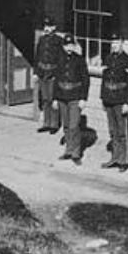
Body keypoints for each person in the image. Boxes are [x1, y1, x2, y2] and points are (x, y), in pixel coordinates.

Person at [100, 32, 128, 172]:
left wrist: (127, 102)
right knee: (112, 131)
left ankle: (123, 160)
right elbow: (104, 80)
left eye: (117, 42)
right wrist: (103, 99)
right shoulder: (108, 58)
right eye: (112, 42)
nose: (114, 45)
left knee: (122, 132)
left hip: (121, 100)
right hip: (109, 98)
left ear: (122, 43)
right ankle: (115, 158)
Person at [55, 33, 90, 165]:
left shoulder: (80, 60)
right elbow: (56, 79)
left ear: (74, 46)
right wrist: (55, 98)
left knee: (74, 125)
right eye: (66, 45)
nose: (69, 47)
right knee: (66, 125)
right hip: (62, 96)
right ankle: (68, 150)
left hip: (75, 97)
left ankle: (76, 153)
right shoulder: (59, 59)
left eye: (71, 45)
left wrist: (83, 98)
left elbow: (86, 80)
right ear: (63, 46)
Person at [33, 15, 64, 133]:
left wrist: (57, 74)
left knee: (52, 99)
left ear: (54, 27)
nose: (46, 28)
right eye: (45, 26)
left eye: (49, 26)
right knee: (45, 99)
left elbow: (61, 59)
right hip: (42, 73)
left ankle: (54, 124)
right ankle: (46, 122)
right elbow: (37, 57)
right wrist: (36, 72)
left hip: (53, 73)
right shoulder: (41, 39)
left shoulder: (58, 41)